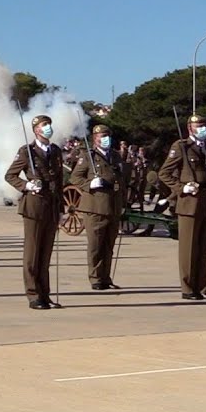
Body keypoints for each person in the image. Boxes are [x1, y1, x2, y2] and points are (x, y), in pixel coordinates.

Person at [158, 114, 206, 300]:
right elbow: (164, 173)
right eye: (198, 125)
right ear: (189, 128)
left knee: (204, 248)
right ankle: (187, 288)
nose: (202, 128)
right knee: (189, 248)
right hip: (189, 203)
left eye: (203, 125)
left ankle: (201, 287)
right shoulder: (181, 147)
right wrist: (181, 187)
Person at [5, 114, 64, 309]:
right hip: (34, 205)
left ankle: (45, 294)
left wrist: (61, 209)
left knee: (46, 253)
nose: (48, 128)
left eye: (49, 124)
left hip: (52, 206)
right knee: (32, 253)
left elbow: (60, 181)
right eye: (43, 125)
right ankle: (33, 295)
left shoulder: (55, 151)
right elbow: (10, 175)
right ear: (36, 130)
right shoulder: (26, 151)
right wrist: (26, 185)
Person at [69, 124, 128, 291]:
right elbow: (75, 178)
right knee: (96, 245)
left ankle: (106, 277)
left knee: (109, 245)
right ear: (95, 139)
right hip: (95, 207)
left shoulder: (115, 156)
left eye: (107, 136)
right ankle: (95, 278)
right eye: (102, 136)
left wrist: (123, 203)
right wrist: (89, 184)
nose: (105, 139)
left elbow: (121, 181)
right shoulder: (88, 157)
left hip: (113, 206)